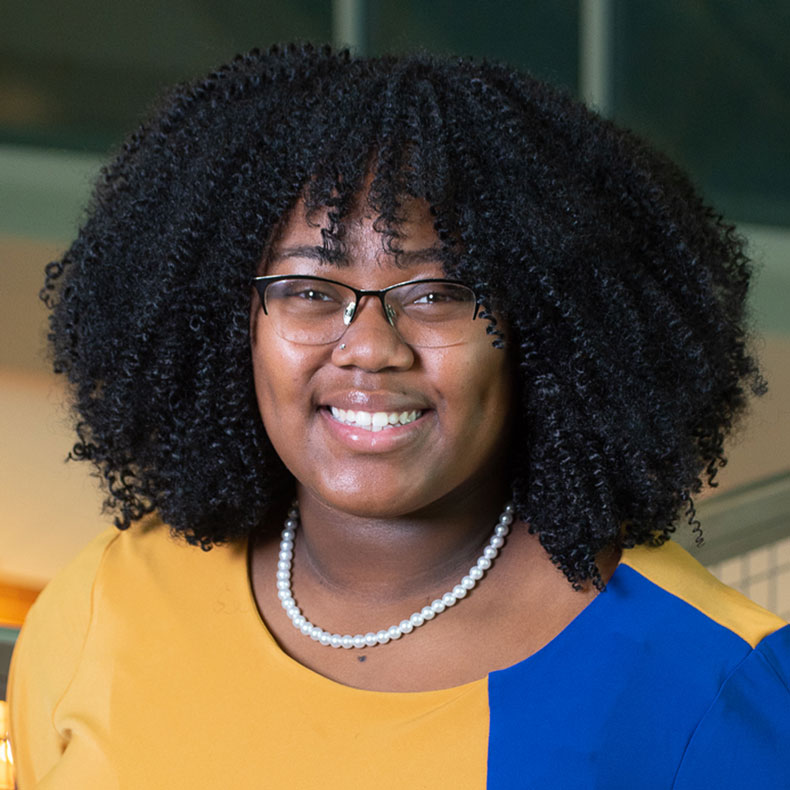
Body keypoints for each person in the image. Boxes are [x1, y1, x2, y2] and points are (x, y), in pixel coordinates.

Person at [8, 43, 789, 789]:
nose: (370, 349)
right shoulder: (104, 606)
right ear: (227, 321)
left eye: (437, 294)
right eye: (310, 291)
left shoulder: (711, 682)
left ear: (543, 328)